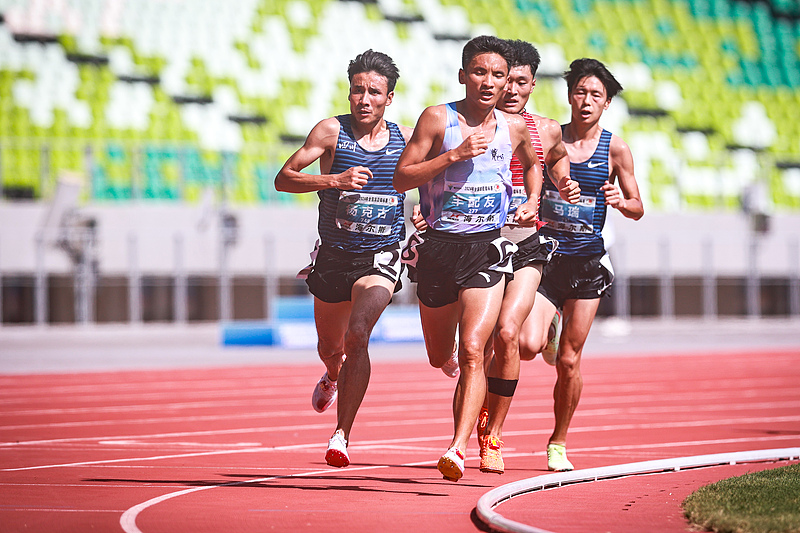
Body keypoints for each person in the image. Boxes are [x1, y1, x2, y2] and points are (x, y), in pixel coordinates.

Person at [393, 35, 542, 482]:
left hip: (486, 249)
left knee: (476, 349)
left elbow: (534, 164)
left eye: (498, 75)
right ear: (463, 75)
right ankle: (447, 361)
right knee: (442, 354)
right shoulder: (438, 119)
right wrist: (454, 155)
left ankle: (457, 448)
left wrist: (532, 200)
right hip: (439, 250)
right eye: (479, 72)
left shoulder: (514, 128)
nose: (489, 82)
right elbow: (402, 178)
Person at [275, 49, 412, 469]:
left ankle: (342, 434)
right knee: (330, 348)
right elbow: (284, 179)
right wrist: (334, 179)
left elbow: (432, 181)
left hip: (381, 258)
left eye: (374, 92)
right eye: (357, 90)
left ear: (389, 97)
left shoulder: (407, 139)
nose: (364, 99)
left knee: (358, 336)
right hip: (334, 258)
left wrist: (427, 210)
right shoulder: (330, 132)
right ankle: (332, 375)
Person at [518, 58, 644, 472]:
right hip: (547, 259)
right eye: (580, 92)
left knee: (569, 361)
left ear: (606, 103)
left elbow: (638, 206)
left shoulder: (615, 149)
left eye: (595, 95)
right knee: (527, 346)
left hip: (588, 264)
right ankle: (549, 326)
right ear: (569, 96)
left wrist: (621, 201)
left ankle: (558, 442)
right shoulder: (548, 137)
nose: (586, 101)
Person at [474, 39, 577, 475]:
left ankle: (493, 435)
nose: (512, 89)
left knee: (511, 335)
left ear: (533, 84)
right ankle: (474, 420)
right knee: (474, 346)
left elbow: (558, 161)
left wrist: (564, 184)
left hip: (525, 243)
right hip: (477, 243)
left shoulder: (547, 129)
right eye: (506, 80)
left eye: (521, 81)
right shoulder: (475, 126)